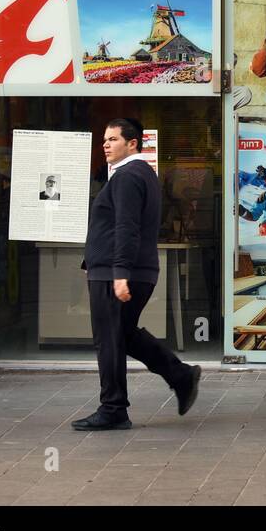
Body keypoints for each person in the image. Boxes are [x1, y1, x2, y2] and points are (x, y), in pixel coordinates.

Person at [73, 118, 202, 431]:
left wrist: (119, 273)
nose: (105, 144)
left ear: (132, 143)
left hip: (117, 273)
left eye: (113, 139)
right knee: (123, 335)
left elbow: (126, 226)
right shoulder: (137, 174)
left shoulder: (129, 175)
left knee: (109, 339)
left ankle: (114, 408)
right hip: (127, 270)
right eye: (104, 139)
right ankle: (180, 376)